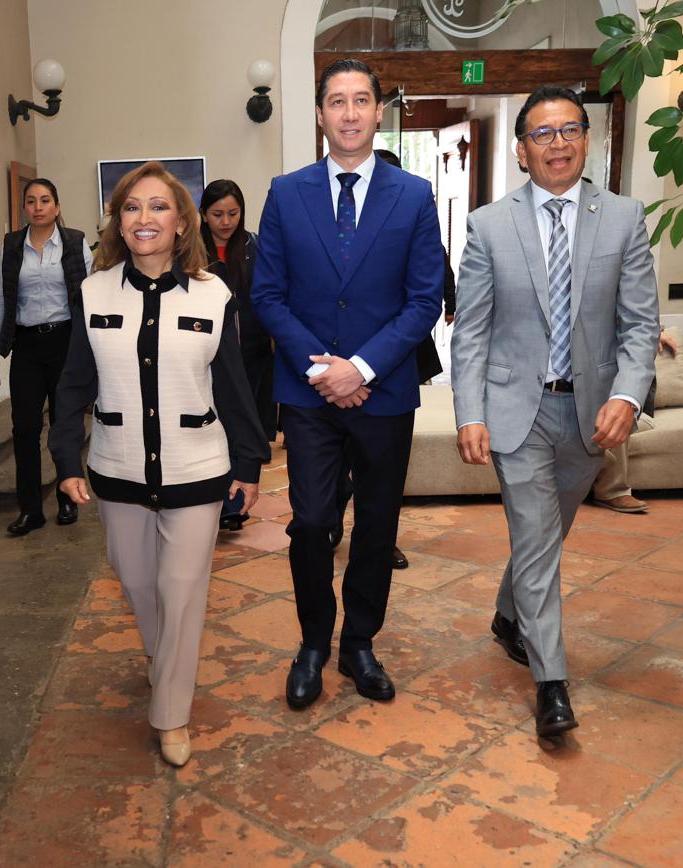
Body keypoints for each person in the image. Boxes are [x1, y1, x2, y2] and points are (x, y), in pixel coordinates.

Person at [451, 85, 658, 739]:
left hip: (592, 416)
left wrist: (627, 395)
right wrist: (469, 412)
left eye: (570, 129)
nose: (558, 143)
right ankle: (552, 684)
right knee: (539, 540)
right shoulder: (489, 226)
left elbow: (640, 324)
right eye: (543, 133)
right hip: (518, 412)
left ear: (587, 140)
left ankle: (508, 613)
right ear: (522, 151)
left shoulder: (623, 218)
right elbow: (471, 332)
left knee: (543, 534)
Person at [48, 162, 268, 767]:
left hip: (197, 469)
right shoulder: (93, 293)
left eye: (158, 207)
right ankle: (162, 654)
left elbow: (234, 387)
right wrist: (66, 458)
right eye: (131, 207)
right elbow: (73, 384)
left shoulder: (214, 295)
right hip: (117, 469)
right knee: (139, 582)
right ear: (119, 222)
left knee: (182, 591)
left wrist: (249, 463)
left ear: (181, 224)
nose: (144, 218)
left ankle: (171, 713)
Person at [251, 59, 444, 711]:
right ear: (319, 114)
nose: (351, 112)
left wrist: (359, 368)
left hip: (383, 393)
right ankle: (313, 642)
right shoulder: (286, 193)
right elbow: (268, 295)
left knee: (377, 525)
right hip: (308, 393)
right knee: (311, 522)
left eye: (362, 100)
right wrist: (325, 370)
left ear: (378, 111)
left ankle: (359, 642)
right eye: (338, 101)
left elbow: (424, 300)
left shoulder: (413, 195)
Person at [329, 148, 454, 571]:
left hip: (397, 358)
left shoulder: (413, 207)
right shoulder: (334, 215)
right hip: (332, 364)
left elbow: (434, 274)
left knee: (383, 469)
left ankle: (383, 540)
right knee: (336, 462)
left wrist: (366, 367)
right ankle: (332, 519)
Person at [0, 178, 93, 536]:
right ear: (24, 208)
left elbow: (92, 296)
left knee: (65, 423)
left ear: (57, 207)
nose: (38, 206)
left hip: (66, 342)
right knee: (25, 428)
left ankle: (66, 498)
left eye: (45, 200)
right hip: (27, 345)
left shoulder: (75, 242)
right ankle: (30, 509)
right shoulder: (13, 246)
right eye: (31, 201)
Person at [199, 179, 272, 531]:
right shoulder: (191, 250)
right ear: (203, 214)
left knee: (245, 423)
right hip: (207, 355)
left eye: (233, 213)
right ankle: (214, 498)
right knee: (215, 425)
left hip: (252, 352)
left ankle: (236, 503)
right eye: (217, 214)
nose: (226, 221)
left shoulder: (254, 247)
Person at [591, 329, 679, 513]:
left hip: (631, 408)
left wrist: (654, 332)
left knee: (616, 416)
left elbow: (637, 324)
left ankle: (613, 491)